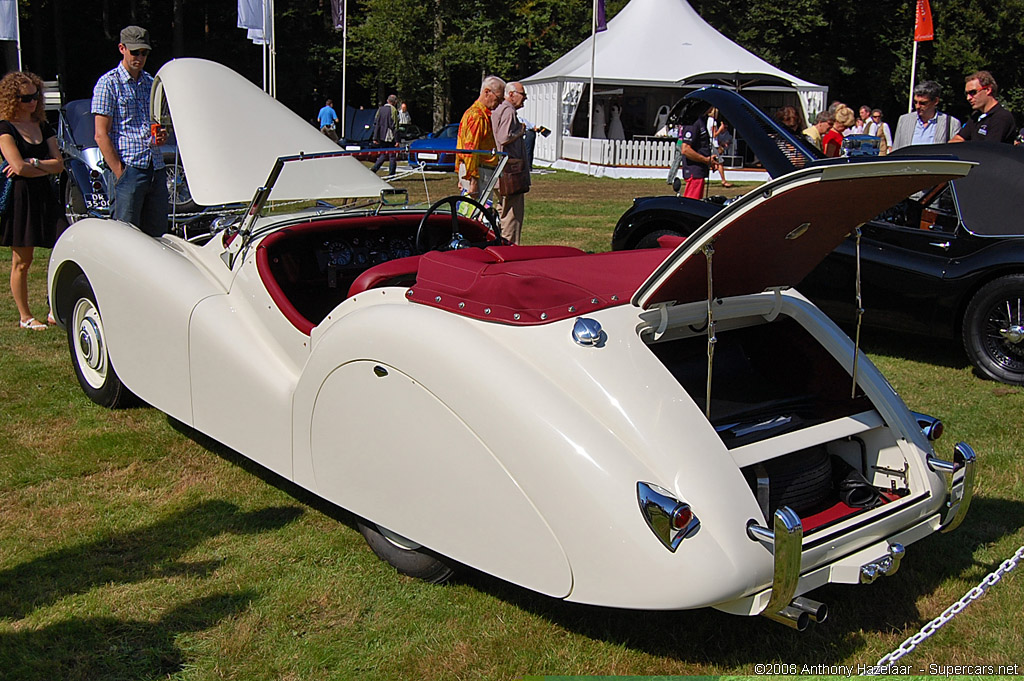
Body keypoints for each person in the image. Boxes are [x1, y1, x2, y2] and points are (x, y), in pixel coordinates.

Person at [0, 72, 64, 330]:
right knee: (22, 261)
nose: (32, 103)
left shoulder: (44, 126)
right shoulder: (5, 128)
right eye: (26, 98)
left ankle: (54, 309)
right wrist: (37, 167)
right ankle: (25, 316)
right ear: (12, 99)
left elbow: (59, 165)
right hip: (21, 198)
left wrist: (34, 163)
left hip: (45, 195)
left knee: (62, 247)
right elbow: (16, 166)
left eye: (36, 96)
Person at [92, 25, 168, 237]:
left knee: (157, 236)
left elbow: (158, 124)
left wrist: (162, 135)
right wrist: (119, 172)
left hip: (155, 166)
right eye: (135, 52)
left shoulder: (151, 83)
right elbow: (100, 134)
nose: (140, 57)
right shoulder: (108, 83)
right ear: (122, 49)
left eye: (144, 52)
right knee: (126, 238)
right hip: (129, 167)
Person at [492, 81, 531, 244]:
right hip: (510, 171)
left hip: (501, 169)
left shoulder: (499, 110)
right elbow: (503, 137)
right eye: (523, 94)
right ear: (511, 94)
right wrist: (520, 130)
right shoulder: (508, 111)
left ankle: (501, 243)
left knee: (503, 210)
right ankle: (510, 247)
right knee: (512, 214)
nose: (525, 99)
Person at [456, 76, 505, 200]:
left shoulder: (479, 114)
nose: (500, 103)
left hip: (478, 172)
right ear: (487, 92)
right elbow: (470, 150)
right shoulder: (477, 116)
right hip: (479, 173)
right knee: (476, 214)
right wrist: (473, 182)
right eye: (498, 98)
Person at [891, 80, 961, 150]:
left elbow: (955, 152)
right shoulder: (904, 120)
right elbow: (896, 150)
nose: (917, 106)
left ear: (936, 101)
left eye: (923, 103)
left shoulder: (951, 123)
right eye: (915, 102)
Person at [951, 70, 1017, 144]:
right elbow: (956, 140)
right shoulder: (976, 116)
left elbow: (987, 150)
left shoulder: (1002, 117)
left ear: (988, 90)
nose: (968, 98)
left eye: (973, 92)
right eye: (966, 94)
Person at [677, 106, 719, 199]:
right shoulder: (694, 122)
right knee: (691, 205)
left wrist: (710, 160)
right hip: (694, 173)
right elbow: (686, 149)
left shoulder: (702, 121)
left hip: (700, 172)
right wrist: (706, 160)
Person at [369, 94, 398, 175]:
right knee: (392, 155)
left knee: (383, 153)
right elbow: (395, 125)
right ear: (394, 102)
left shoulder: (380, 109)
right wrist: (397, 139)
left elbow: (376, 123)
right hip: (389, 136)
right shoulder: (393, 110)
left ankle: (375, 168)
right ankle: (391, 173)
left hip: (381, 135)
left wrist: (375, 137)